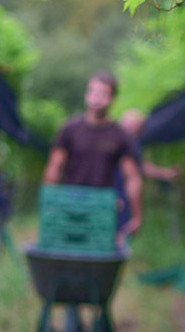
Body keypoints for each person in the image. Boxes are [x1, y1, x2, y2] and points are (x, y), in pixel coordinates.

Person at [44, 72, 143, 245]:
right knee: (70, 248)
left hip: (103, 205)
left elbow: (132, 177)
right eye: (93, 92)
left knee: (100, 250)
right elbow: (55, 167)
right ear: (87, 95)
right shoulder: (70, 129)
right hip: (72, 201)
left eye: (103, 94)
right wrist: (50, 201)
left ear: (113, 99)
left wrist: (136, 215)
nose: (96, 99)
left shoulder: (120, 136)